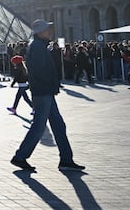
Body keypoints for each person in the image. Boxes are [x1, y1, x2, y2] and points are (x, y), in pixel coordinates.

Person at [11, 19, 85, 172]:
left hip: (45, 92)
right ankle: (20, 157)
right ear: (39, 32)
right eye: (46, 29)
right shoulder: (37, 47)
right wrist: (51, 85)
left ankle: (66, 159)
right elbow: (40, 71)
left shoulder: (39, 45)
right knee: (39, 126)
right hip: (43, 92)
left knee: (58, 125)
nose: (49, 31)